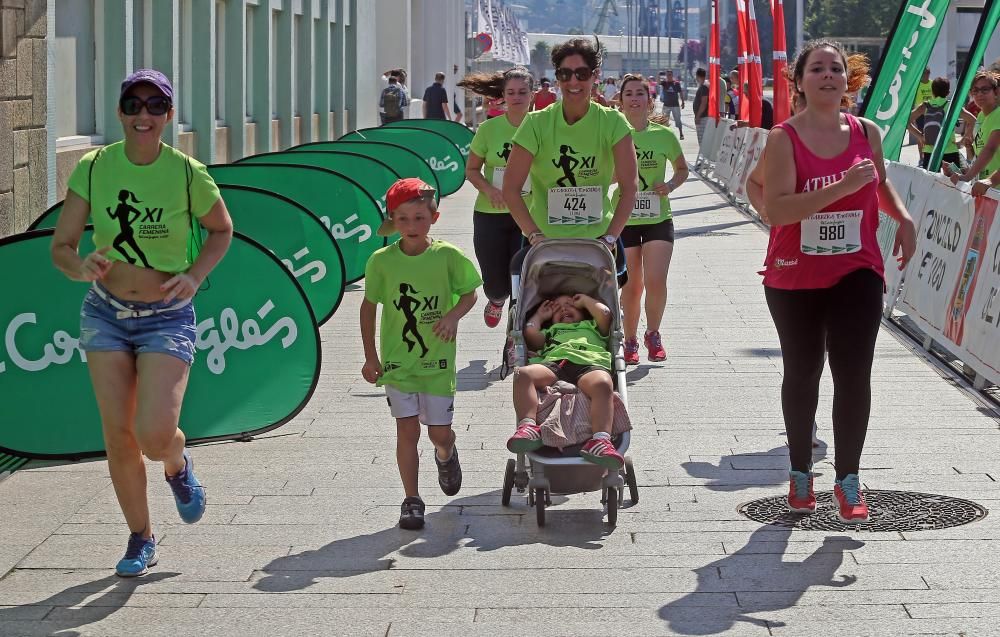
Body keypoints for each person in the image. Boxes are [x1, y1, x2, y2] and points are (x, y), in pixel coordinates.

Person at [50, 69, 233, 577]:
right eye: (133, 105)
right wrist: (79, 266)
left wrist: (194, 276)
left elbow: (221, 230)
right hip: (105, 314)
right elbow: (61, 248)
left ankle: (177, 465)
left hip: (166, 317)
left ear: (169, 116)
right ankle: (141, 537)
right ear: (120, 113)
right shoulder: (94, 167)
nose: (144, 115)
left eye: (155, 106)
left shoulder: (188, 172)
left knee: (153, 435)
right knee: (118, 436)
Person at [761, 40, 917, 523]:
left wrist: (904, 218)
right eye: (817, 69)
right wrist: (840, 188)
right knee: (804, 371)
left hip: (857, 269)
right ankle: (800, 471)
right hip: (795, 274)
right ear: (800, 81)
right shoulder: (783, 138)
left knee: (854, 373)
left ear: (846, 80)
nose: (828, 76)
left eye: (835, 68)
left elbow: (879, 180)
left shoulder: (865, 131)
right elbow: (777, 209)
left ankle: (848, 479)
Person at [360, 178, 482, 530]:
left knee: (439, 434)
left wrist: (452, 317)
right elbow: (369, 309)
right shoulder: (381, 262)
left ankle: (447, 455)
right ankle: (411, 499)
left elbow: (470, 293)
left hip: (437, 364)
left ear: (434, 217)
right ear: (392, 221)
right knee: (406, 431)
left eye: (419, 218)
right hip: (398, 364)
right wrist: (371, 357)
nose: (411, 226)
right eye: (403, 219)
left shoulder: (446, 256)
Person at [500, 36, 637, 269]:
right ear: (557, 77)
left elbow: (630, 187)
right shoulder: (536, 123)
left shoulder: (613, 122)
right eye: (565, 74)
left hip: (598, 244)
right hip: (544, 244)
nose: (573, 81)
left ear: (595, 75)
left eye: (582, 73)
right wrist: (534, 235)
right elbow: (511, 189)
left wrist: (610, 238)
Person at [614, 73, 688, 365]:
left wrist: (669, 186)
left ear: (649, 99)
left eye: (639, 94)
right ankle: (629, 339)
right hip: (624, 216)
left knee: (656, 281)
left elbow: (682, 169)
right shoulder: (614, 132)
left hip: (658, 214)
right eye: (629, 94)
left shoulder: (664, 135)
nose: (634, 99)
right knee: (633, 285)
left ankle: (653, 333)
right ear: (620, 101)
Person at [506, 293, 623, 470]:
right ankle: (528, 427)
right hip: (555, 364)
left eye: (571, 304)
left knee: (603, 384)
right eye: (557, 308)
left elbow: (605, 313)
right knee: (522, 374)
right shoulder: (551, 331)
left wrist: (585, 300)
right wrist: (539, 315)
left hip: (589, 364)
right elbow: (530, 333)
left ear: (584, 312)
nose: (564, 308)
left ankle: (600, 440)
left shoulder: (591, 325)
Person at [459, 67, 535, 329]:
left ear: (532, 94)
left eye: (522, 92)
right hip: (490, 214)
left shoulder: (541, 127)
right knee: (496, 285)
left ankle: (514, 339)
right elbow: (471, 170)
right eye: (511, 92)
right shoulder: (489, 129)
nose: (516, 97)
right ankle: (495, 300)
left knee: (522, 282)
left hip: (528, 214)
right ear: (502, 96)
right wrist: (490, 190)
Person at [907, 76, 976, 171]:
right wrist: (962, 141)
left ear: (932, 91)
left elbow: (907, 122)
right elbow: (973, 120)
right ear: (948, 92)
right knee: (954, 182)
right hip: (950, 149)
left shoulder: (925, 106)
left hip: (930, 150)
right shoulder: (952, 106)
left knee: (930, 181)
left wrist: (920, 137)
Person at [948, 71, 1000, 185]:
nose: (979, 94)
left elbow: (990, 149)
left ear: (996, 92)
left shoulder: (998, 114)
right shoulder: (981, 116)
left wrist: (967, 177)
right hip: (983, 189)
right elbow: (979, 156)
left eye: (985, 89)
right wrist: (969, 149)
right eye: (975, 90)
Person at [659, 69, 685, 139]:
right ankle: (665, 135)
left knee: (678, 120)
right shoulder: (664, 83)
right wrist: (659, 75)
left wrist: (683, 102)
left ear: (672, 75)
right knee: (664, 120)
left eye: (670, 74)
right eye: (667, 75)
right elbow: (658, 82)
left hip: (675, 105)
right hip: (666, 105)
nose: (668, 76)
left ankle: (681, 133)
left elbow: (681, 92)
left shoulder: (676, 83)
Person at [692, 67, 709, 143]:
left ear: (697, 76)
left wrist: (698, 116)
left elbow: (704, 103)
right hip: (702, 116)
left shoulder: (704, 87)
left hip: (703, 117)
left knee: (702, 140)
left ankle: (703, 154)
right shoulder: (703, 86)